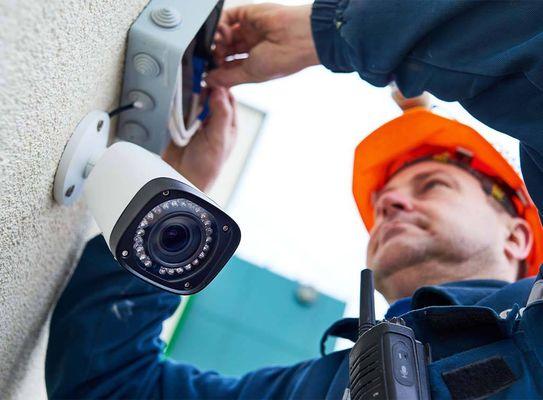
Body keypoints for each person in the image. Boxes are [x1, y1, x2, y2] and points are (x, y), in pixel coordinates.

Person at [46, 1, 543, 399]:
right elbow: (108, 386)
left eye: (432, 185)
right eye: (382, 200)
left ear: (517, 234)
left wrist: (328, 31)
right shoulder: (327, 385)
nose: (389, 205)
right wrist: (172, 199)